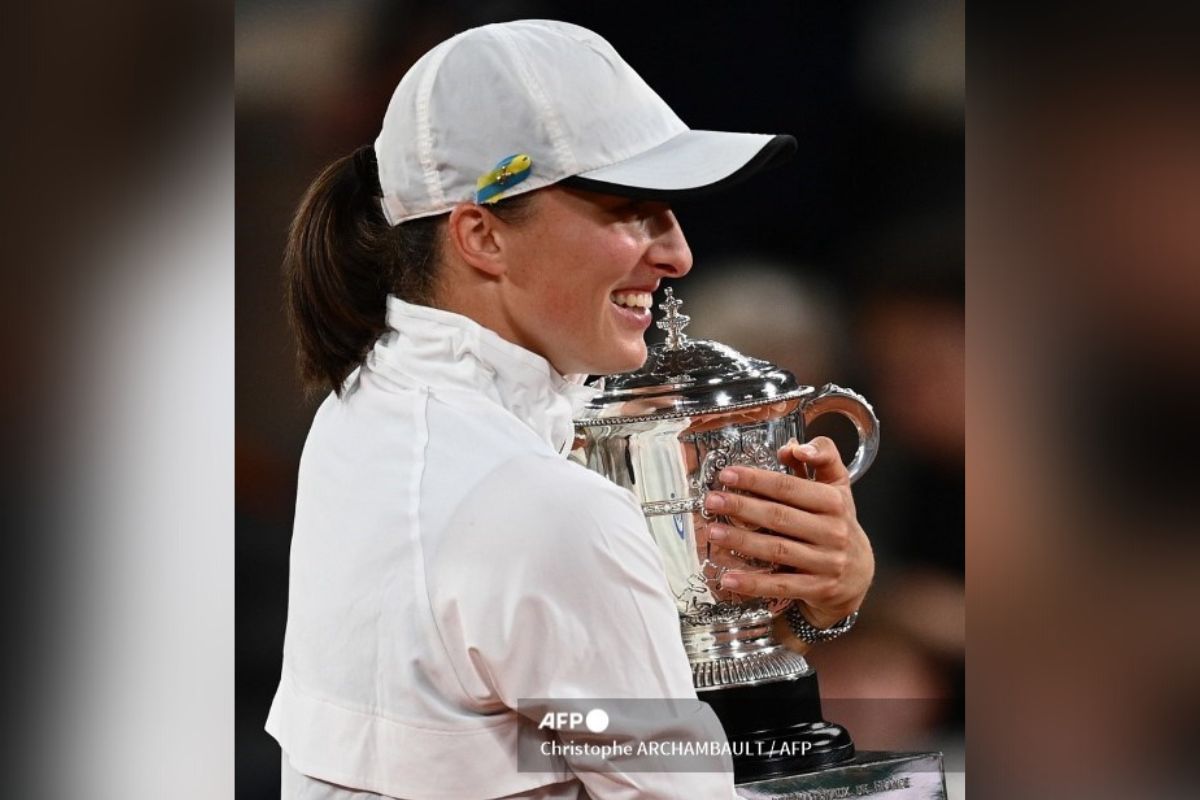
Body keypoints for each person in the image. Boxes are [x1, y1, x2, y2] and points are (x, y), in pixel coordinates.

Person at [266, 20, 874, 799]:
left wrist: (810, 606)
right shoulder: (539, 503)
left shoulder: (363, 408)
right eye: (630, 208)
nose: (678, 253)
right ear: (482, 236)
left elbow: (557, 713)